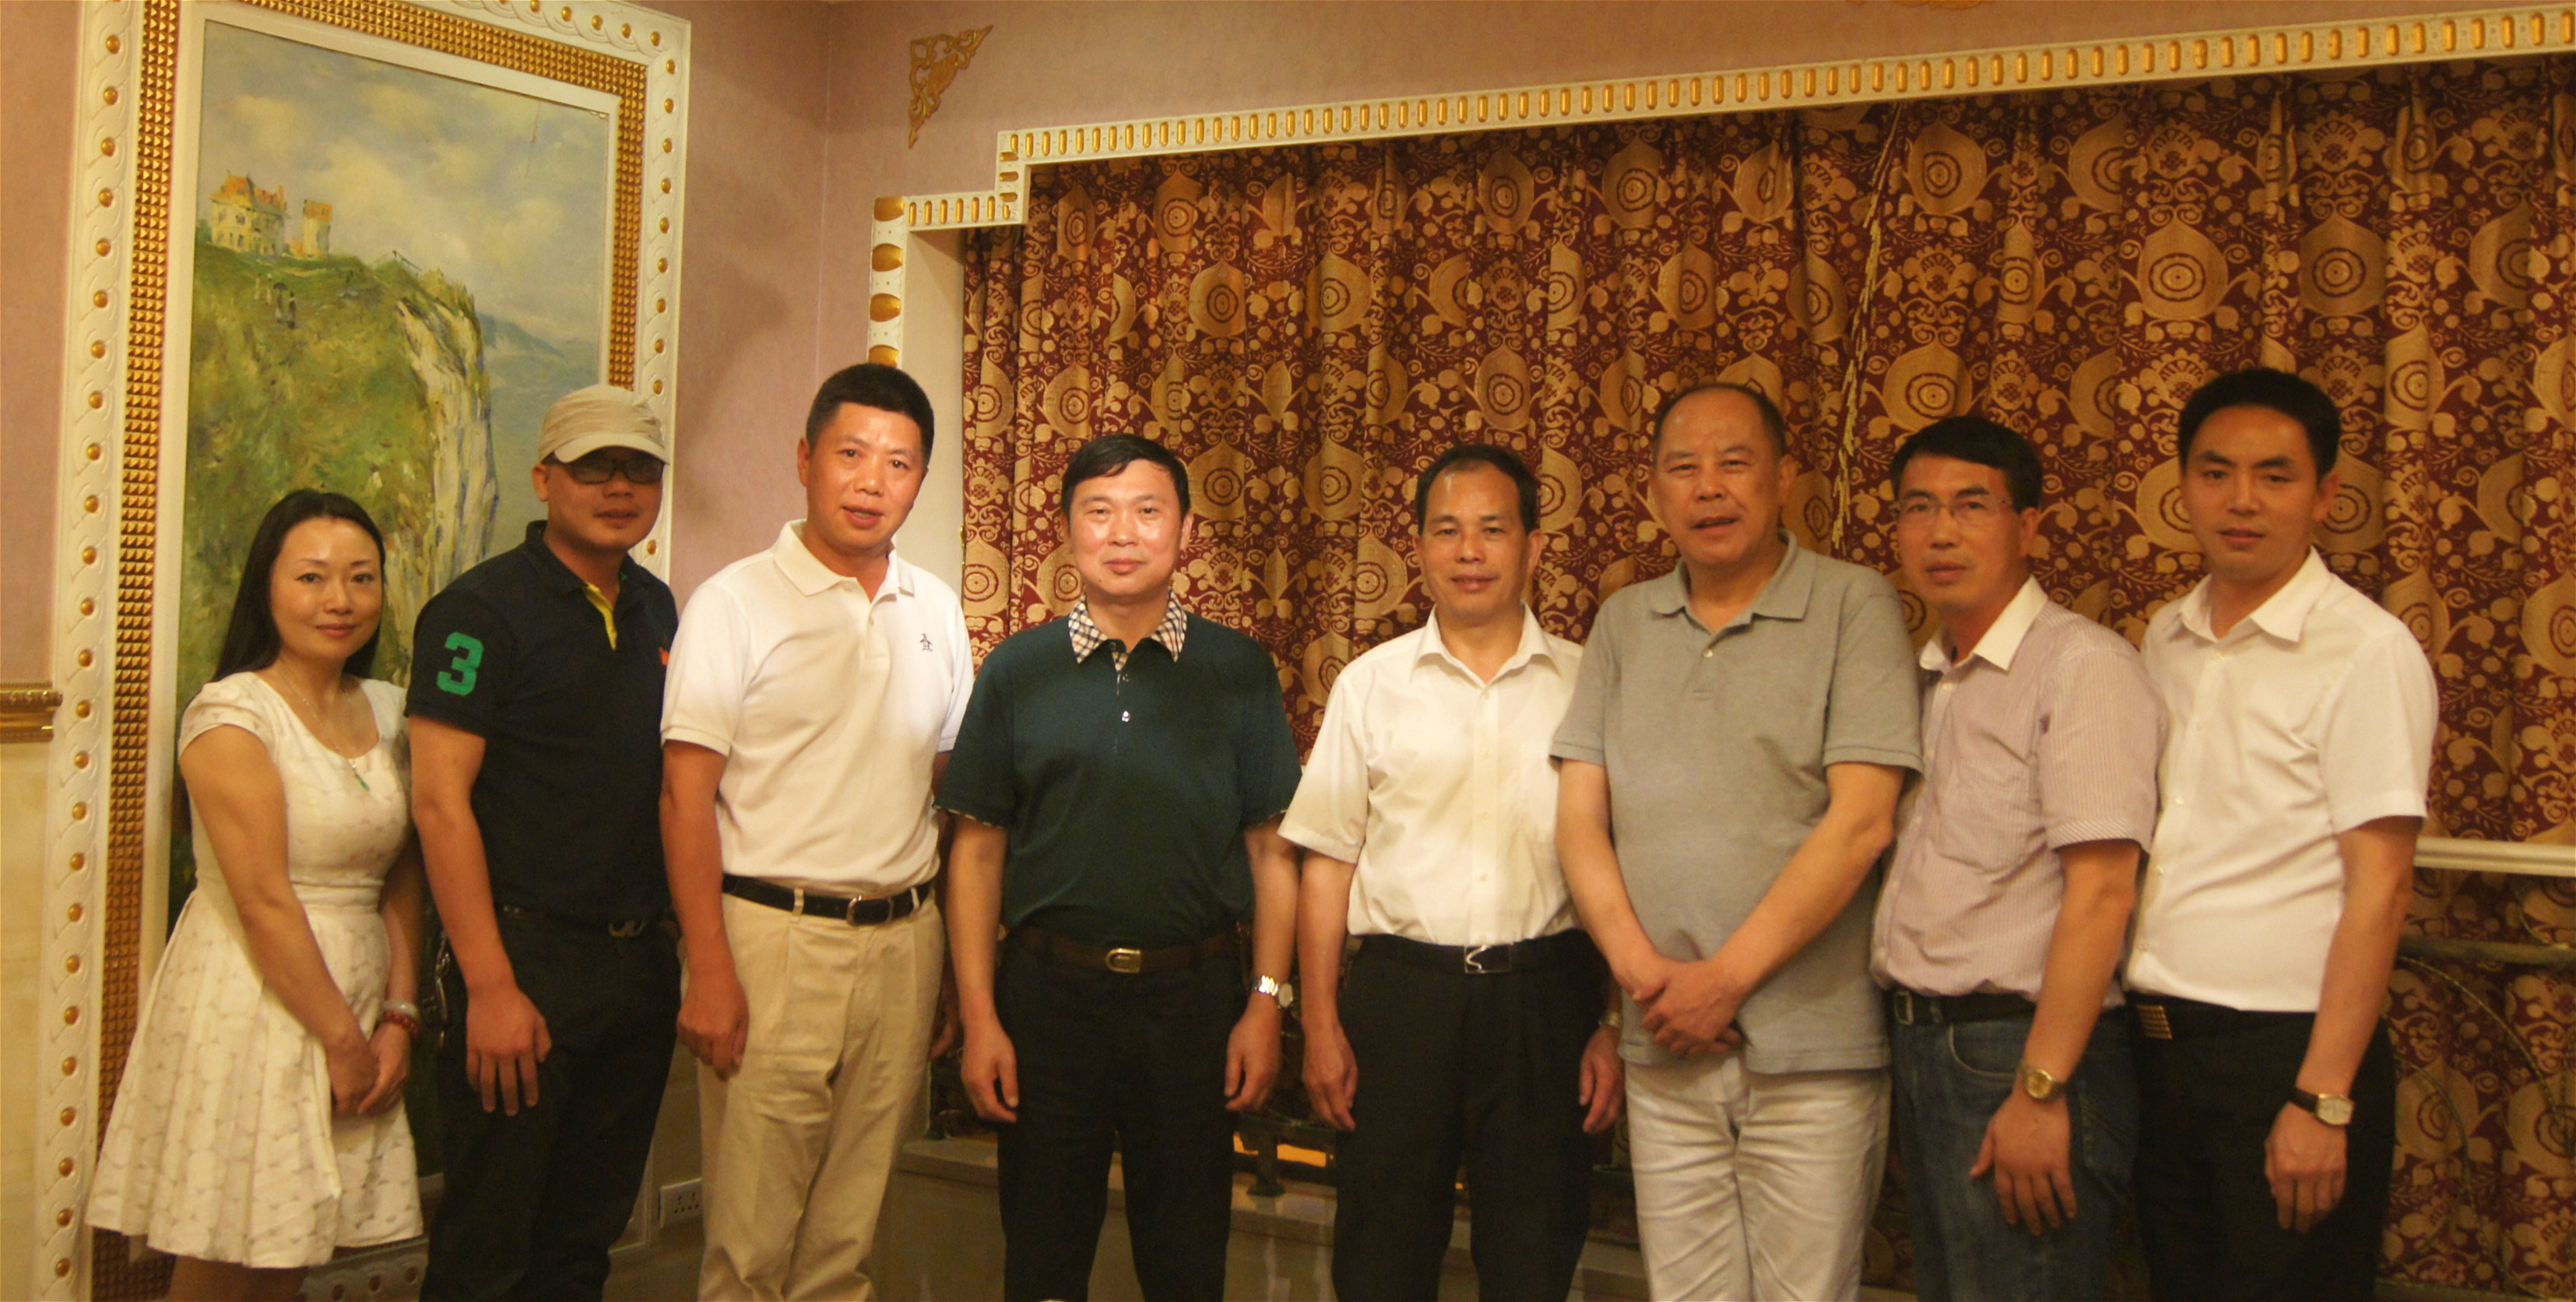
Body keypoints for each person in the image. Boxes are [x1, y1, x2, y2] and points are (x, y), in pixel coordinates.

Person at [1552, 382, 1920, 1302]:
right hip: (1666, 1042)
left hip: (1814, 1050)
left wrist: (1722, 981)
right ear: (1654, 491)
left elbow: (1862, 821)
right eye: (1683, 467)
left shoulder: (1854, 603)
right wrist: (1648, 981)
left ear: (1785, 477)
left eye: (1734, 462)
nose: (1709, 487)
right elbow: (1579, 821)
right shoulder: (1625, 621)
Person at [942, 433, 1303, 1302]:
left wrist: (1265, 1003)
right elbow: (978, 853)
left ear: (1185, 530)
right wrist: (981, 1017)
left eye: (1147, 511)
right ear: (1067, 530)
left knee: (1186, 1258)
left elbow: (1271, 849)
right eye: (1098, 512)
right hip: (1046, 999)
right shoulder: (1017, 670)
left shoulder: (1236, 669)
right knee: (1041, 1253)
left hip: (1194, 1000)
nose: (1123, 532)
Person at [1284, 443, 1624, 1302]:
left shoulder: (1590, 684)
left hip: (1545, 1002)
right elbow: (1327, 865)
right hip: (1401, 1004)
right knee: (1381, 1260)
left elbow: (1631, 866)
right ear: (1418, 548)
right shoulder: (1370, 686)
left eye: (1492, 529)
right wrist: (1320, 1024)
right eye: (1447, 530)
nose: (1469, 551)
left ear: (1534, 547)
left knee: (1533, 1261)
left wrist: (1616, 1024)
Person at [660, 363, 971, 1302]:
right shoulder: (734, 602)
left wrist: (946, 962)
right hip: (773, 938)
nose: (872, 482)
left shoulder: (936, 607)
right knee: (750, 1243)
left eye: (899, 463)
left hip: (905, 940)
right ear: (805, 459)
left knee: (848, 1237)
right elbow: (684, 798)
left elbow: (945, 791)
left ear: (921, 480)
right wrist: (709, 968)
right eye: (851, 454)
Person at [2125, 368, 2435, 1301]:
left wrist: (2322, 1098)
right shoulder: (2163, 637)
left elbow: (2381, 885)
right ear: (2184, 486)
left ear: (2325, 495)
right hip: (2157, 1046)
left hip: (2288, 1055)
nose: (2242, 500)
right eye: (2216, 472)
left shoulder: (2366, 650)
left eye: (2274, 475)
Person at [90, 490, 426, 1300]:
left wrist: (399, 1016)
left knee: (291, 1251)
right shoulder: (232, 713)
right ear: (266, 588)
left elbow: (403, 870)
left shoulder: (390, 709)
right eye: (311, 577)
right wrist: (342, 1041)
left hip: (362, 992)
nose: (339, 599)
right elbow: (264, 901)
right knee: (228, 1252)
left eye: (361, 577)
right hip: (258, 997)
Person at [1873, 417, 2161, 1301]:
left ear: (2028, 527)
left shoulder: (2081, 667)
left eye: (1972, 506)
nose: (1941, 532)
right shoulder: (1923, 675)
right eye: (1918, 508)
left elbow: (2103, 891)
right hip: (1923, 1047)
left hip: (2017, 1052)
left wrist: (2040, 1090)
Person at [410, 385, 681, 1301]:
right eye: (594, 466)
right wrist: (489, 986)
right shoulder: (478, 612)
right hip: (522, 963)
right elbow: (440, 804)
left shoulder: (659, 608)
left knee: (581, 1245)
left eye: (639, 468)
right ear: (544, 479)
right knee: (488, 1250)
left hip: (636, 969)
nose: (619, 487)